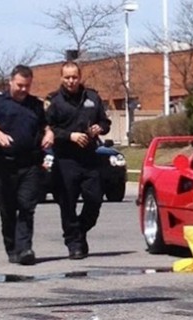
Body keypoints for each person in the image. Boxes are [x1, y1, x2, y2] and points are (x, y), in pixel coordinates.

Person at [0, 65, 54, 265]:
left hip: (30, 163)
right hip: (4, 164)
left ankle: (25, 249)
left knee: (26, 206)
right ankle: (11, 247)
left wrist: (49, 134)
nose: (23, 89)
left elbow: (46, 125)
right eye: (20, 85)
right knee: (7, 208)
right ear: (11, 82)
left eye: (27, 86)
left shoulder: (36, 105)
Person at [45, 61, 112, 260]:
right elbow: (48, 127)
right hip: (66, 159)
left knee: (94, 199)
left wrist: (99, 128)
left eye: (74, 77)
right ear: (61, 78)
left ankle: (79, 231)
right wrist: (70, 136)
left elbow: (105, 122)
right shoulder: (54, 101)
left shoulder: (92, 97)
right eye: (67, 77)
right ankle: (74, 244)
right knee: (67, 204)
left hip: (89, 157)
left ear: (80, 77)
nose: (71, 81)